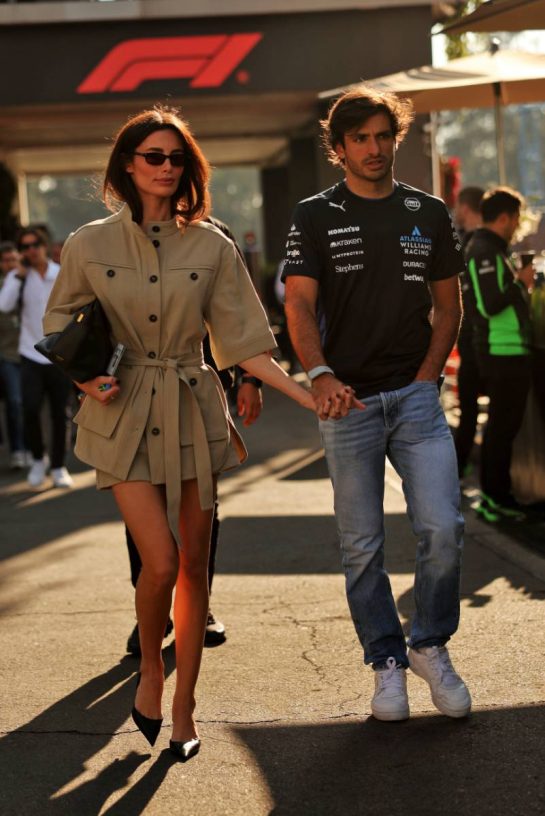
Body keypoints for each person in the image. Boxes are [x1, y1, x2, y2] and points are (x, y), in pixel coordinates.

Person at [43, 106, 323, 761]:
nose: (166, 168)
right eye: (153, 157)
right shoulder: (87, 243)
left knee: (194, 572)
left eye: (176, 159)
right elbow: (59, 325)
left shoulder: (213, 245)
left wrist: (310, 395)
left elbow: (247, 345)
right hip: (120, 412)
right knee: (160, 562)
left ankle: (185, 709)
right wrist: (87, 381)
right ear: (128, 166)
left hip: (195, 404)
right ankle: (148, 668)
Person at [283, 84, 471, 722]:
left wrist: (426, 377)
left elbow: (450, 307)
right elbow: (299, 304)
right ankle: (386, 661)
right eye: (359, 138)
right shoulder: (314, 214)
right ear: (338, 149)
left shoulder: (428, 210)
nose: (373, 148)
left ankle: (428, 643)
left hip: (417, 399)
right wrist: (320, 372)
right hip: (348, 405)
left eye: (382, 136)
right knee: (360, 544)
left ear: (397, 138)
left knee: (443, 527)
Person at [125, 217, 263, 656]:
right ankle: (151, 609)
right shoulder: (124, 235)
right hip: (138, 394)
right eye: (155, 159)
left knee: (202, 505)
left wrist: (250, 379)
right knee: (144, 507)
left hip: (198, 389)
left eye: (175, 162)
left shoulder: (215, 235)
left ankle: (197, 607)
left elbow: (238, 317)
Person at [463, 187, 534, 522]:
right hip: (500, 352)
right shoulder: (485, 251)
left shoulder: (489, 249)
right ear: (504, 217)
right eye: (516, 219)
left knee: (501, 428)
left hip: (506, 351)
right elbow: (489, 305)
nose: (517, 226)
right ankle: (496, 499)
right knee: (501, 429)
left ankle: (497, 496)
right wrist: (520, 284)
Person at [0, 228, 73, 488]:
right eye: (25, 246)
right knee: (29, 408)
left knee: (59, 413)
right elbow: (4, 306)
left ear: (44, 246)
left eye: (34, 245)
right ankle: (37, 459)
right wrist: (18, 277)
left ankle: (58, 465)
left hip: (58, 354)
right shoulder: (18, 277)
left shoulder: (60, 273)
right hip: (30, 353)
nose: (30, 250)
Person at [453, 186, 485, 479]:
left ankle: (458, 469)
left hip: (476, 340)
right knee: (471, 413)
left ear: (466, 207)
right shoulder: (470, 242)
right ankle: (459, 469)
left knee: (469, 413)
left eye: (458, 207)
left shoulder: (474, 244)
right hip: (475, 341)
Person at [0, 241, 26, 469]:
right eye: (6, 261)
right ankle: (17, 449)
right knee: (15, 402)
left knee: (32, 404)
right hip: (7, 354)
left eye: (13, 260)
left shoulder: (29, 280)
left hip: (30, 352)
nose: (10, 265)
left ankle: (33, 450)